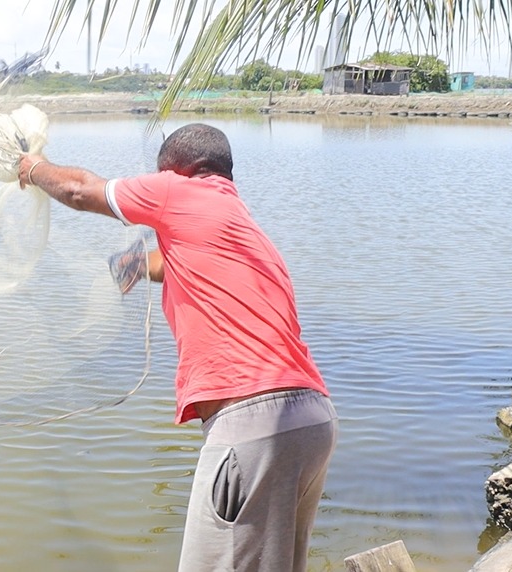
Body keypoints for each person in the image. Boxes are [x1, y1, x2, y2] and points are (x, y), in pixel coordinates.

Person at [17, 123, 337, 572]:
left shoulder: (176, 190)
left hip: (253, 423)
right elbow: (178, 263)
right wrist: (135, 265)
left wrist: (32, 168)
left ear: (177, 171)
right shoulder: (241, 223)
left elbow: (77, 190)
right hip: (311, 419)